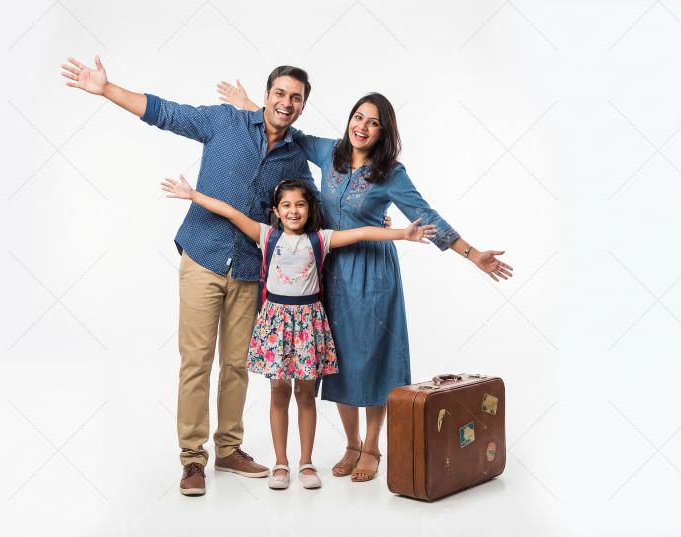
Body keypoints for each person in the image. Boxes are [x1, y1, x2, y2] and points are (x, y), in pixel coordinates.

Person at [217, 82, 514, 482]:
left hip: (374, 274)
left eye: (373, 123)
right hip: (329, 273)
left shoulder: (391, 174)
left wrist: (471, 252)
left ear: (383, 132)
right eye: (359, 117)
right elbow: (292, 132)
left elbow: (426, 216)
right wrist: (249, 104)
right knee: (336, 360)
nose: (362, 127)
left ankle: (373, 447)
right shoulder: (329, 153)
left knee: (372, 359)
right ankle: (351, 444)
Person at [61, 56, 319, 496]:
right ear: (267, 94)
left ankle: (229, 449)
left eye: (295, 98)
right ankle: (192, 459)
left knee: (237, 365)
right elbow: (165, 112)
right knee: (196, 361)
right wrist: (107, 89)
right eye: (280, 93)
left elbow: (310, 214)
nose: (286, 102)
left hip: (252, 273)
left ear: (302, 106)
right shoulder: (225, 122)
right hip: (203, 255)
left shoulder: (296, 159)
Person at [161, 175, 437, 490]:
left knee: (305, 396)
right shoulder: (266, 236)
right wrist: (194, 194)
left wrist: (402, 233)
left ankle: (306, 462)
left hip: (308, 327)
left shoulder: (321, 239)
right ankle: (282, 462)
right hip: (276, 326)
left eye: (300, 204)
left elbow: (360, 232)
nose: (294, 211)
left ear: (309, 208)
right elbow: (231, 213)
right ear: (276, 211)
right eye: (286, 205)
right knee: (279, 393)